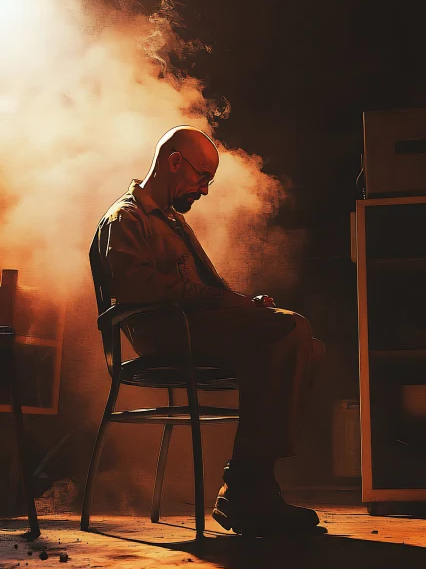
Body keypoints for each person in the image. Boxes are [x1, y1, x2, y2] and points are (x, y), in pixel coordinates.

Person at [95, 125, 326, 536]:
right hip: (164, 335)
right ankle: (247, 489)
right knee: (290, 331)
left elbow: (205, 292)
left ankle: (252, 482)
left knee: (307, 345)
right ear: (174, 162)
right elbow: (134, 287)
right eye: (202, 176)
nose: (204, 189)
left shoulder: (172, 221)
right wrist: (224, 303)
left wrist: (242, 306)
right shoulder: (125, 217)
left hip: (193, 327)